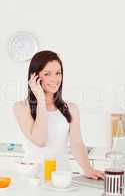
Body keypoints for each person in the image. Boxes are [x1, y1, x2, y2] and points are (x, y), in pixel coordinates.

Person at [13, 50, 104, 179]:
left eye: (58, 73)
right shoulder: (21, 107)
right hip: (33, 178)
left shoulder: (71, 108)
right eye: (47, 74)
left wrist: (87, 168)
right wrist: (40, 99)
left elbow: (76, 143)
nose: (55, 79)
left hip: (61, 176)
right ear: (35, 77)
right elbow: (40, 140)